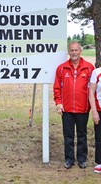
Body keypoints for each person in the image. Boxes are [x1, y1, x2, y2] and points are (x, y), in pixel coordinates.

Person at [53, 41, 94, 169]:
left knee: (82, 135)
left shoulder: (89, 67)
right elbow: (57, 88)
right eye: (72, 50)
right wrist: (59, 103)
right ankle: (69, 159)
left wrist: (91, 105)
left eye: (76, 50)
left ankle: (82, 159)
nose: (74, 53)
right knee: (68, 135)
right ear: (68, 52)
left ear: (80, 51)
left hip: (83, 108)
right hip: (67, 109)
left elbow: (92, 89)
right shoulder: (61, 68)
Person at [89, 64, 101, 173]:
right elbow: (91, 93)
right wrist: (94, 111)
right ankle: (100, 162)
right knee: (99, 137)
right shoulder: (96, 72)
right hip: (99, 109)